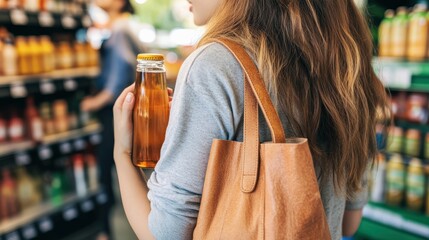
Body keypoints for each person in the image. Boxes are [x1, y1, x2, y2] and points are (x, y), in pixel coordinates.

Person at [113, 0, 390, 239]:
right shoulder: (348, 69)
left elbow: (164, 235)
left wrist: (122, 153)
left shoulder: (214, 66)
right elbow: (348, 222)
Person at [80, 0, 144, 239]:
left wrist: (94, 102)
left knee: (110, 167)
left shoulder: (119, 30)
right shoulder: (120, 26)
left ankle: (108, 231)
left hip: (117, 110)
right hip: (127, 109)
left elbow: (119, 76)